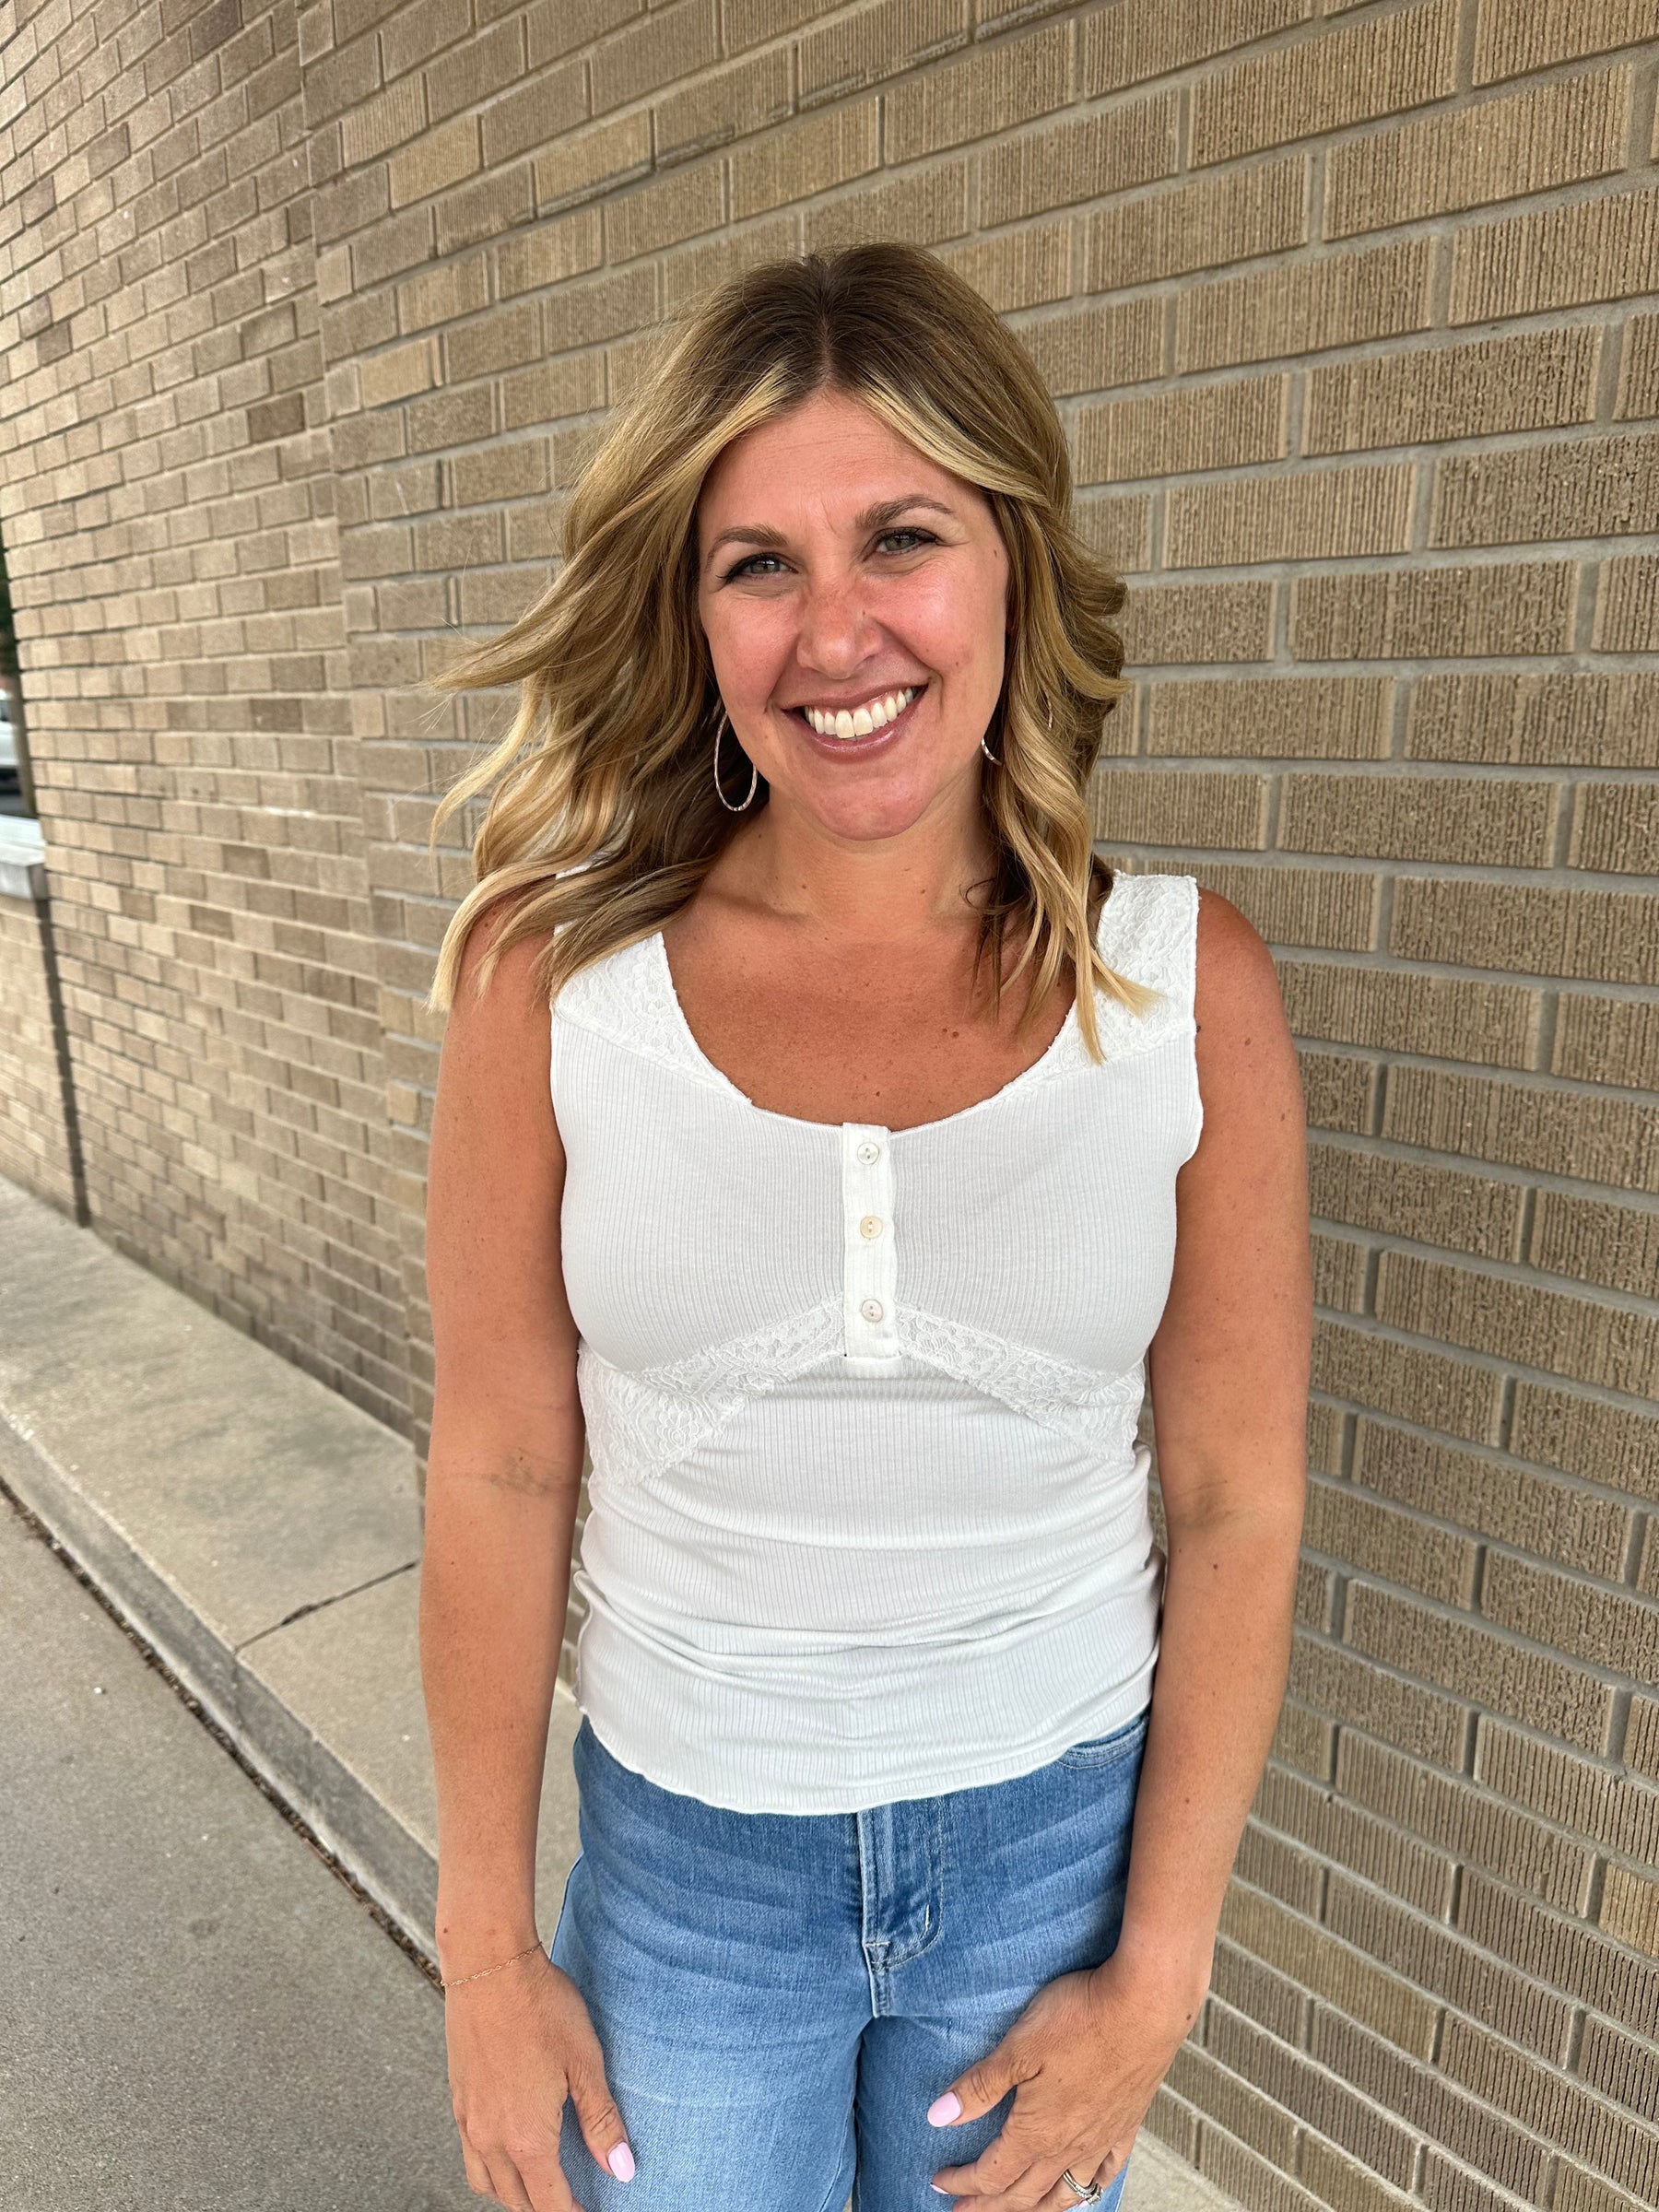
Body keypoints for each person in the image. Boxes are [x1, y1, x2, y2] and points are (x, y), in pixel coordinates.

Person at [418, 242, 1312, 2212]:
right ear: (692, 607)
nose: (837, 633)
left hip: (1049, 1867)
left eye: (900, 536)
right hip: (691, 1881)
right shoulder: (552, 985)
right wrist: (486, 1957)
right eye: (759, 563)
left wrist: (1160, 1972)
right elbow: (494, 1464)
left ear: (1010, 564)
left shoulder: (1182, 990)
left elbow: (1237, 1497)